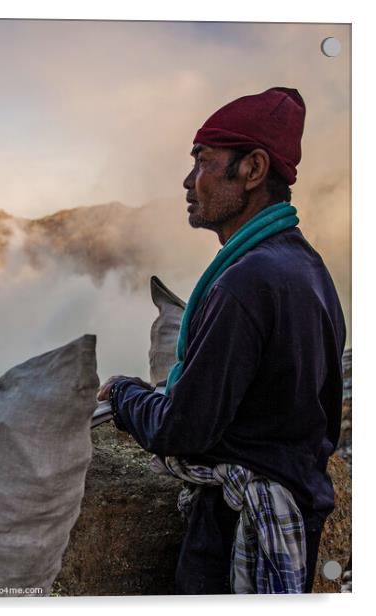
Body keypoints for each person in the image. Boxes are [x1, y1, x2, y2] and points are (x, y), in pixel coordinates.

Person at [97, 87, 346, 594]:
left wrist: (125, 395)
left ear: (252, 170)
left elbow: (181, 429)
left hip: (236, 536)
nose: (190, 181)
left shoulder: (246, 283)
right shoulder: (308, 267)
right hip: (298, 508)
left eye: (203, 162)